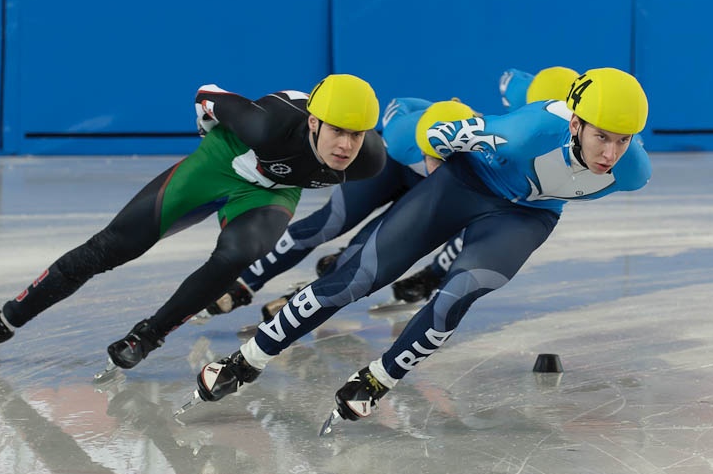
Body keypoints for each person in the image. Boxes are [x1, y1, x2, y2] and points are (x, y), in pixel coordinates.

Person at [188, 68, 651, 428]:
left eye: (621, 140)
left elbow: (603, 164)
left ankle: (378, 378)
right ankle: (245, 361)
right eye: (601, 136)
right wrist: (434, 155)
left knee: (461, 292)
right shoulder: (523, 131)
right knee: (356, 278)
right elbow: (436, 136)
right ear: (575, 122)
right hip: (467, 182)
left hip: (529, 215)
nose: (609, 153)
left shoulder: (634, 171)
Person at [0, 74, 386, 372]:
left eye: (357, 134)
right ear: (313, 121)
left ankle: (150, 335)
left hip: (269, 190)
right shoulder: (266, 124)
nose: (346, 145)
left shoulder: (368, 160)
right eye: (337, 132)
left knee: (238, 255)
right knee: (113, 246)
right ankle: (3, 322)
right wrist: (206, 120)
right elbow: (207, 92)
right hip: (224, 160)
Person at [203, 66, 579, 322]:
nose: (438, 165)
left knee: (368, 248)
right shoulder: (403, 137)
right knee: (329, 222)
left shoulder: (500, 144)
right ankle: (247, 281)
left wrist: (433, 274)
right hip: (391, 166)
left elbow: (479, 225)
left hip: (438, 184)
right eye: (434, 158)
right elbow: (401, 107)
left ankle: (313, 290)